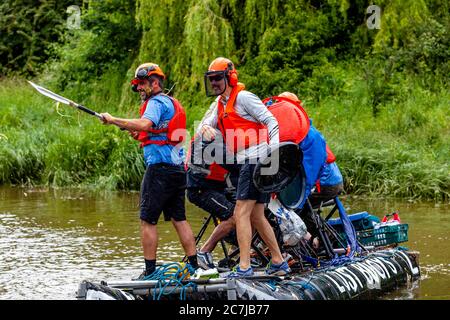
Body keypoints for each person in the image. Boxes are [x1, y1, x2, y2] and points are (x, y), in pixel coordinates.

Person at [100, 63, 199, 278]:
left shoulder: (155, 102)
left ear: (155, 83)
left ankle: (150, 273)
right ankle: (195, 266)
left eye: (143, 84)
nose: (139, 89)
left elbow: (146, 124)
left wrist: (113, 119)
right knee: (178, 218)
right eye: (137, 85)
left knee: (147, 220)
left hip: (160, 171)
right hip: (177, 170)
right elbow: (156, 130)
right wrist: (135, 131)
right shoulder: (170, 102)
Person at [199, 57, 290, 277]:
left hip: (256, 160)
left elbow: (271, 121)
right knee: (257, 215)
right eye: (211, 79)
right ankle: (278, 261)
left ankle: (244, 267)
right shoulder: (219, 104)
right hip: (248, 163)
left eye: (218, 79)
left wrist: (274, 152)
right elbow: (204, 123)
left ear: (230, 77)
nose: (214, 84)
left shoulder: (244, 98)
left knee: (240, 213)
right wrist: (205, 130)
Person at [277, 92, 344, 247]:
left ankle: (327, 242)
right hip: (320, 180)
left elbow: (309, 175)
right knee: (291, 205)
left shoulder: (310, 135)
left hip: (327, 183)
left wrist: (295, 202)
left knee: (297, 206)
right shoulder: (290, 133)